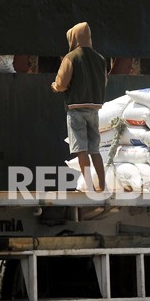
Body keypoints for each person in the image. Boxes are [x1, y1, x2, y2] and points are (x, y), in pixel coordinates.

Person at [51, 22, 107, 192]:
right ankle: (102, 186)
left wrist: (54, 86)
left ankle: (89, 186)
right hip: (94, 109)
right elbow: (104, 81)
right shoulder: (100, 59)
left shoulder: (71, 57)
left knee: (81, 149)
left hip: (76, 110)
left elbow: (61, 84)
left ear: (73, 37)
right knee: (94, 150)